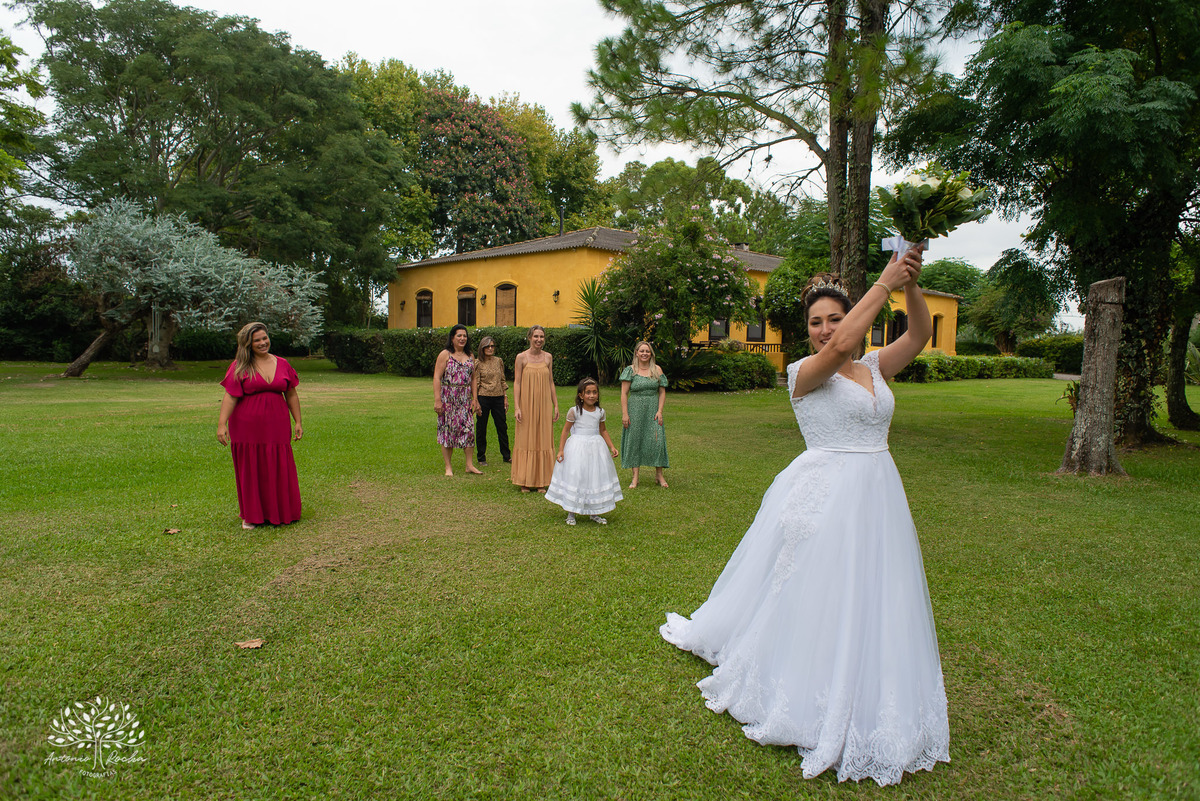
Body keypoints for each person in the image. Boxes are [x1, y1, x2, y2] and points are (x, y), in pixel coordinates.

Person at [660, 247, 951, 786]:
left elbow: (919, 335)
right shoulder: (803, 373)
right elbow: (842, 347)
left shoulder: (874, 366)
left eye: (833, 319)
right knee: (818, 595)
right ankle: (806, 683)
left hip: (878, 495)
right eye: (815, 322)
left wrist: (910, 280)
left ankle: (865, 682)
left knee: (870, 592)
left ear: (852, 318)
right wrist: (883, 283)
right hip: (825, 496)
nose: (825, 330)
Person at [216, 322, 303, 530]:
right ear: (248, 344)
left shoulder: (282, 363)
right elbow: (229, 396)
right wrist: (221, 424)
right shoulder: (240, 366)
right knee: (251, 467)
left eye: (265, 338)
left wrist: (298, 421)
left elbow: (291, 393)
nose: (263, 343)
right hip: (246, 426)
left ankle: (281, 512)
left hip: (277, 424)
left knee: (278, 463)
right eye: (257, 340)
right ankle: (252, 515)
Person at [545, 378, 623, 525]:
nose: (591, 395)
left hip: (596, 449)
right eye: (588, 392)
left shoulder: (600, 412)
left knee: (595, 477)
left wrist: (611, 446)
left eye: (594, 392)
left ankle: (594, 512)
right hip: (577, 448)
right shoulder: (574, 411)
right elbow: (565, 430)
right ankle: (571, 513)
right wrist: (561, 450)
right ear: (581, 395)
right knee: (577, 476)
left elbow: (603, 430)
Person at [511, 325, 558, 493]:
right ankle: (525, 480)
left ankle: (542, 481)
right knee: (526, 438)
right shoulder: (521, 357)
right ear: (529, 337)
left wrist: (556, 404)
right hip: (526, 404)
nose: (539, 340)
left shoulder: (548, 357)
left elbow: (551, 381)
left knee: (543, 437)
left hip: (544, 404)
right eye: (536, 336)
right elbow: (516, 383)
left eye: (542, 337)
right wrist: (517, 406)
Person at [433, 324, 482, 477]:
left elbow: (473, 378)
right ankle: (448, 467)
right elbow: (436, 377)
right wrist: (437, 400)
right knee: (448, 431)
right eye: (459, 336)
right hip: (448, 397)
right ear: (452, 338)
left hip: (465, 398)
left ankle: (469, 465)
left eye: (464, 336)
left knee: (468, 430)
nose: (462, 338)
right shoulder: (445, 354)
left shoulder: (470, 356)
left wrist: (475, 399)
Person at [619, 341, 669, 488]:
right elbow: (624, 393)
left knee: (657, 441)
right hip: (634, 409)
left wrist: (660, 411)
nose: (644, 354)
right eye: (642, 351)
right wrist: (625, 414)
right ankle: (635, 477)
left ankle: (659, 475)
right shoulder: (630, 370)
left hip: (653, 409)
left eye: (647, 351)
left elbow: (662, 391)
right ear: (636, 353)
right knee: (635, 441)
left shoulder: (657, 370)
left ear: (651, 353)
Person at [474, 335, 510, 466]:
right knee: (481, 428)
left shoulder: (498, 361)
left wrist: (505, 397)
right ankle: (481, 457)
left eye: (492, 346)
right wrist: (476, 401)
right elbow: (476, 382)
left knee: (502, 427)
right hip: (483, 397)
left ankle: (506, 455)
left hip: (498, 397)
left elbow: (502, 380)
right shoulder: (478, 363)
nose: (490, 348)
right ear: (482, 348)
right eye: (487, 346)